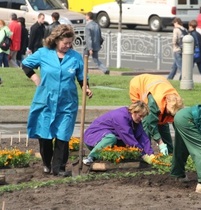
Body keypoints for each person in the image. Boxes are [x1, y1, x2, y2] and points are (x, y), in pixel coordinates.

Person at [21, 24, 93, 177]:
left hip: (67, 103)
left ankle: (59, 168)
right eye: (65, 43)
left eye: (70, 43)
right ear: (56, 40)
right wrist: (35, 78)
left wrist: (85, 88)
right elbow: (26, 64)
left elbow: (82, 77)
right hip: (45, 101)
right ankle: (46, 163)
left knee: (63, 135)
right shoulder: (43, 53)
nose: (68, 46)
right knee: (45, 134)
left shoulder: (75, 57)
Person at [83, 101, 155, 165]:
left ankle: (106, 156)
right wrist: (143, 155)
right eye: (140, 116)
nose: (142, 119)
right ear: (134, 111)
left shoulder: (136, 120)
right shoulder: (121, 117)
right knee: (111, 138)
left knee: (121, 142)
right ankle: (91, 157)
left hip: (105, 137)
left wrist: (151, 154)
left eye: (143, 117)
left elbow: (142, 136)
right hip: (93, 137)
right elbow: (128, 138)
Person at [129, 74, 184, 155]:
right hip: (138, 85)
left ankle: (170, 153)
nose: (170, 115)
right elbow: (150, 123)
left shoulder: (176, 102)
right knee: (145, 124)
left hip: (157, 85)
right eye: (169, 113)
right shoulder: (154, 102)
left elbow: (178, 125)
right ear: (166, 104)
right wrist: (160, 143)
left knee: (163, 122)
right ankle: (144, 153)